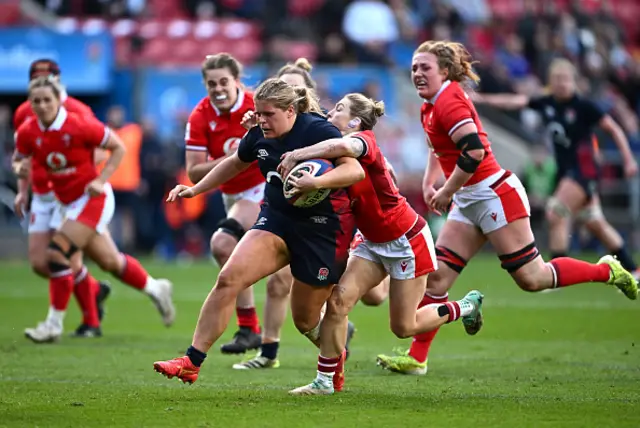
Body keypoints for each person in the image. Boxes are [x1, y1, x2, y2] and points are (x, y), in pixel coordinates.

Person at [375, 40, 638, 376]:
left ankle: (607, 270)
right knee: (437, 279)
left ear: (444, 70)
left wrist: (446, 192)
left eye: (424, 67)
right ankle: (418, 358)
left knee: (532, 278)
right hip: (470, 198)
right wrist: (430, 181)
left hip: (493, 195)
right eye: (413, 68)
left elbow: (473, 152)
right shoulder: (432, 105)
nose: (417, 73)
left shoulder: (450, 100)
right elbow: (438, 145)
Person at [153, 79, 363, 391]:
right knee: (229, 279)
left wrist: (315, 184)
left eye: (268, 114)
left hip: (322, 230)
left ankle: (334, 355)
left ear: (291, 111)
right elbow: (235, 163)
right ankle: (191, 362)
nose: (261, 121)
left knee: (305, 320)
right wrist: (195, 189)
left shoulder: (318, 131)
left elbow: (354, 171)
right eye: (258, 114)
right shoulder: (258, 137)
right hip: (276, 221)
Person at [278, 93, 484, 395]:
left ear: (356, 121)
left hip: (406, 241)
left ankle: (466, 306)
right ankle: (325, 382)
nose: (330, 113)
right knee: (337, 304)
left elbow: (346, 146)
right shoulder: (334, 152)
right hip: (371, 242)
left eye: (339, 110)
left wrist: (298, 154)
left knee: (404, 327)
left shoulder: (363, 140)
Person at [13, 77, 175, 343]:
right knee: (109, 261)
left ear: (59, 100)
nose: (42, 106)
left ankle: (53, 324)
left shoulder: (78, 124)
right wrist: (22, 176)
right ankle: (156, 288)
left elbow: (117, 147)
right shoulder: (28, 131)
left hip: (92, 200)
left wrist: (101, 179)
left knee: (57, 253)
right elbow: (21, 159)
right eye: (36, 101)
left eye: (47, 100)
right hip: (65, 202)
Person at [232, 58, 355, 370]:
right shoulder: (270, 125)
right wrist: (258, 125)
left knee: (373, 296)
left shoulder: (321, 127)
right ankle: (269, 352)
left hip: (339, 217)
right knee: (277, 285)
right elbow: (243, 157)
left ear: (302, 96)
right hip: (287, 215)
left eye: (294, 87)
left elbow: (352, 163)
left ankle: (335, 328)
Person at [475, 58, 640, 279]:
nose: (561, 83)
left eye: (565, 79)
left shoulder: (583, 107)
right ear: (550, 82)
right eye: (557, 79)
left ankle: (555, 272)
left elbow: (615, 130)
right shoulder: (548, 102)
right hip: (568, 173)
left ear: (574, 81)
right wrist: (481, 99)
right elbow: (515, 101)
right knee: (595, 223)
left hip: (584, 171)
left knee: (556, 212)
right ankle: (633, 269)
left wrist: (628, 159)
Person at [13, 59, 111, 338]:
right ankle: (93, 290)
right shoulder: (24, 114)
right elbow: (23, 155)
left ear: (59, 83)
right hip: (42, 195)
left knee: (64, 256)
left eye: (48, 79)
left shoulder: (78, 112)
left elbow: (106, 147)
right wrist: (23, 188)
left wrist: (88, 175)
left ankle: (85, 321)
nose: (42, 102)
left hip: (72, 195)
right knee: (40, 263)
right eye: (36, 79)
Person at [185, 53, 265, 354]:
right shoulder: (200, 116)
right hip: (232, 192)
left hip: (265, 186)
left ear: (236, 81)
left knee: (222, 244)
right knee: (281, 274)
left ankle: (248, 327)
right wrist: (238, 158)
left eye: (223, 82)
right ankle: (250, 329)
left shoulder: (256, 104)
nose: (217, 89)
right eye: (211, 84)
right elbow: (193, 170)